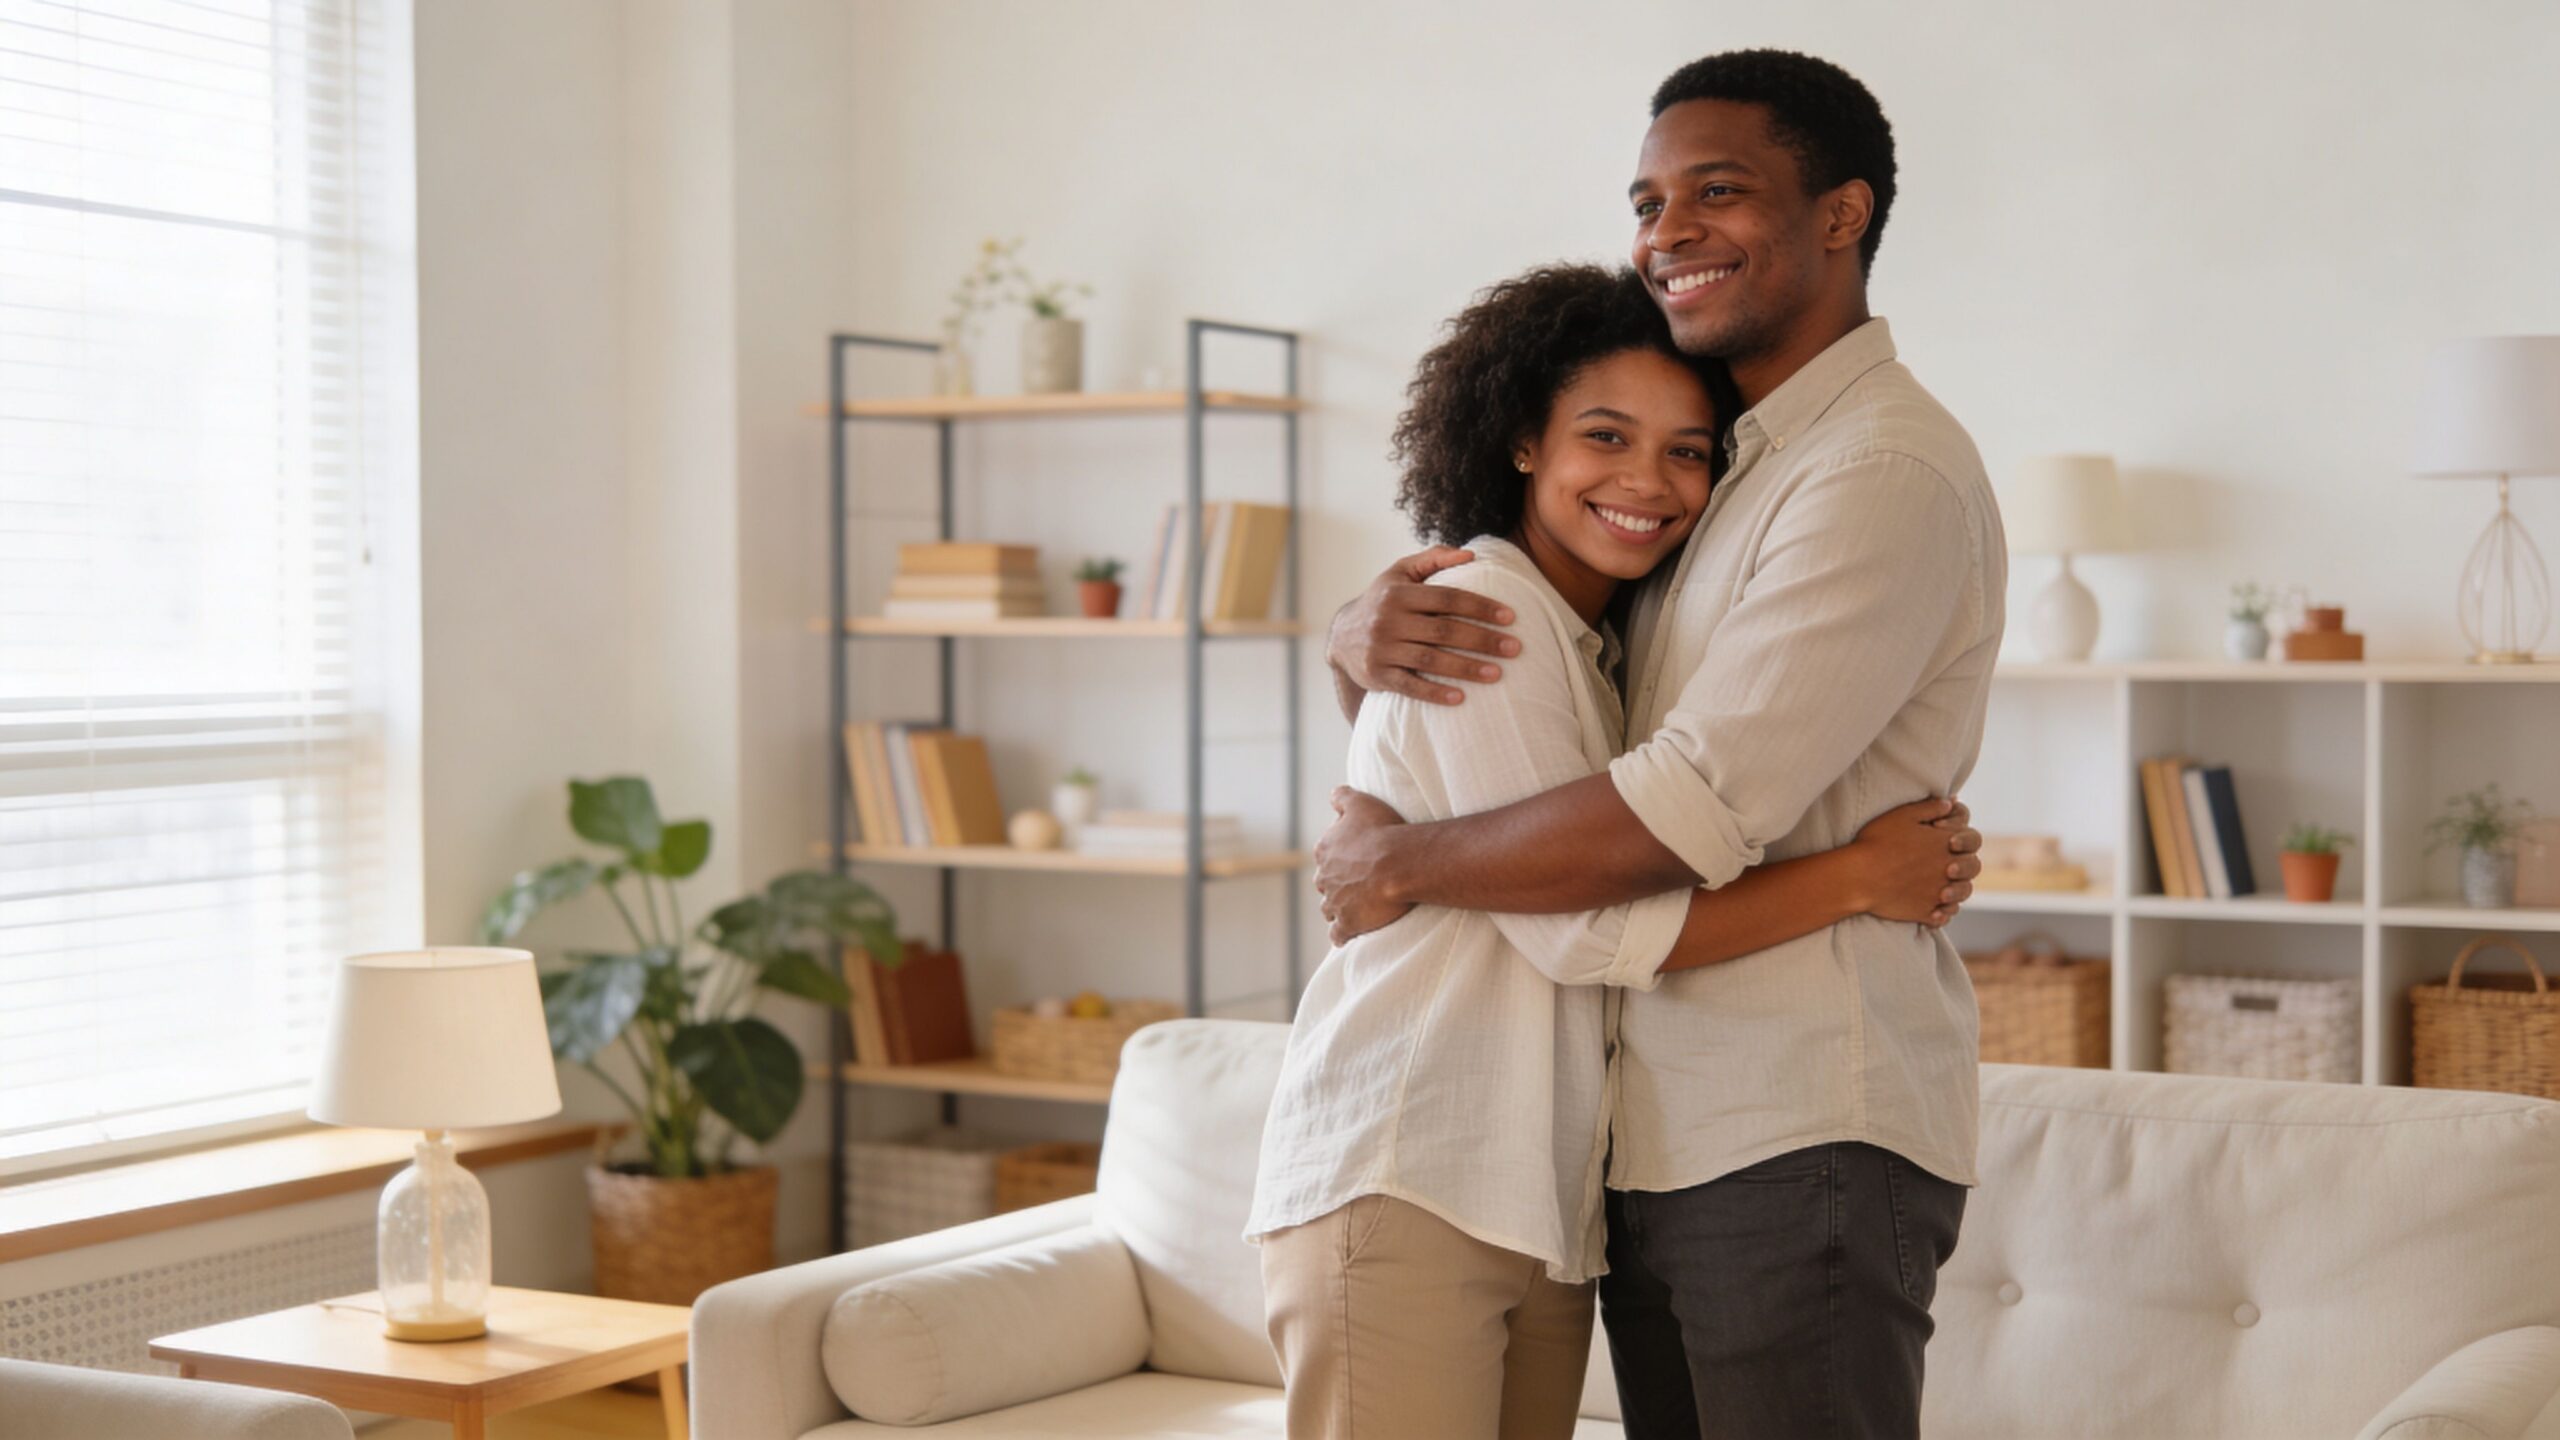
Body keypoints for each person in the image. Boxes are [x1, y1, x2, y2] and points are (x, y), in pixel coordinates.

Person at [1313, 51, 2007, 1440]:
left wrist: (1399, 862)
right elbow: (1540, 739)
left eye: (1717, 191)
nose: (1666, 232)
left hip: (1798, 1124)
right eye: (1647, 200)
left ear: (1840, 215)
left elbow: (1678, 804)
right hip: (1661, 1140)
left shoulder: (1873, 471)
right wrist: (1356, 664)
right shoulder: (1717, 477)